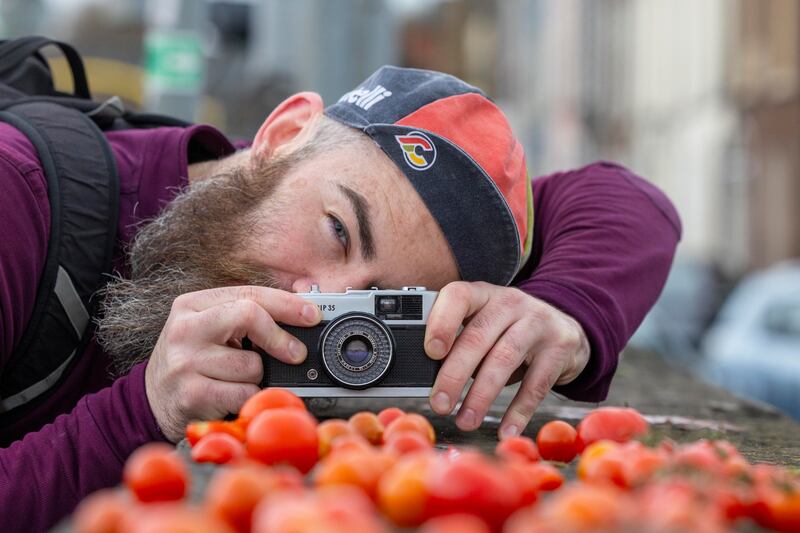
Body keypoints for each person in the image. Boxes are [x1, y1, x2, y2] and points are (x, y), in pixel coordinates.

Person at [0, 65, 680, 529]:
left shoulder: (300, 196)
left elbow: (629, 200)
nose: (320, 301)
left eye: (384, 302)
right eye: (337, 231)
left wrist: (563, 305)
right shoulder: (16, 196)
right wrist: (139, 413)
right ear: (283, 133)